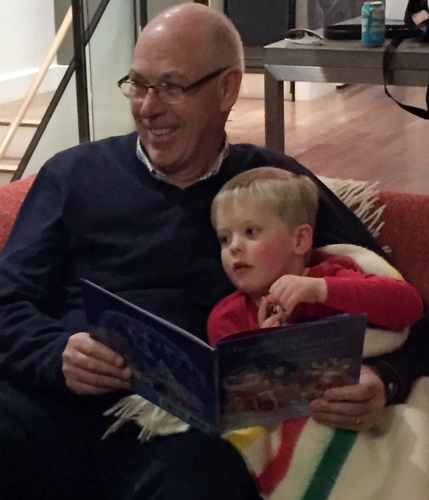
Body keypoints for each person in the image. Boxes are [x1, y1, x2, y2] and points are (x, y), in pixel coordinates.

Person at [0, 3, 427, 500]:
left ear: (227, 88)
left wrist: (385, 379)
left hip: (182, 434)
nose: (147, 107)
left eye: (171, 86)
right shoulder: (73, 174)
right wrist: (56, 353)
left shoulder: (273, 189)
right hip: (53, 402)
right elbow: (7, 299)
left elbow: (405, 304)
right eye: (138, 84)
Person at [207, 167, 423, 345]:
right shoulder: (226, 319)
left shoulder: (328, 278)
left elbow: (409, 307)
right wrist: (266, 346)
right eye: (225, 238)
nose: (234, 247)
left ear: (300, 240)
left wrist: (321, 290)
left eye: (251, 231)